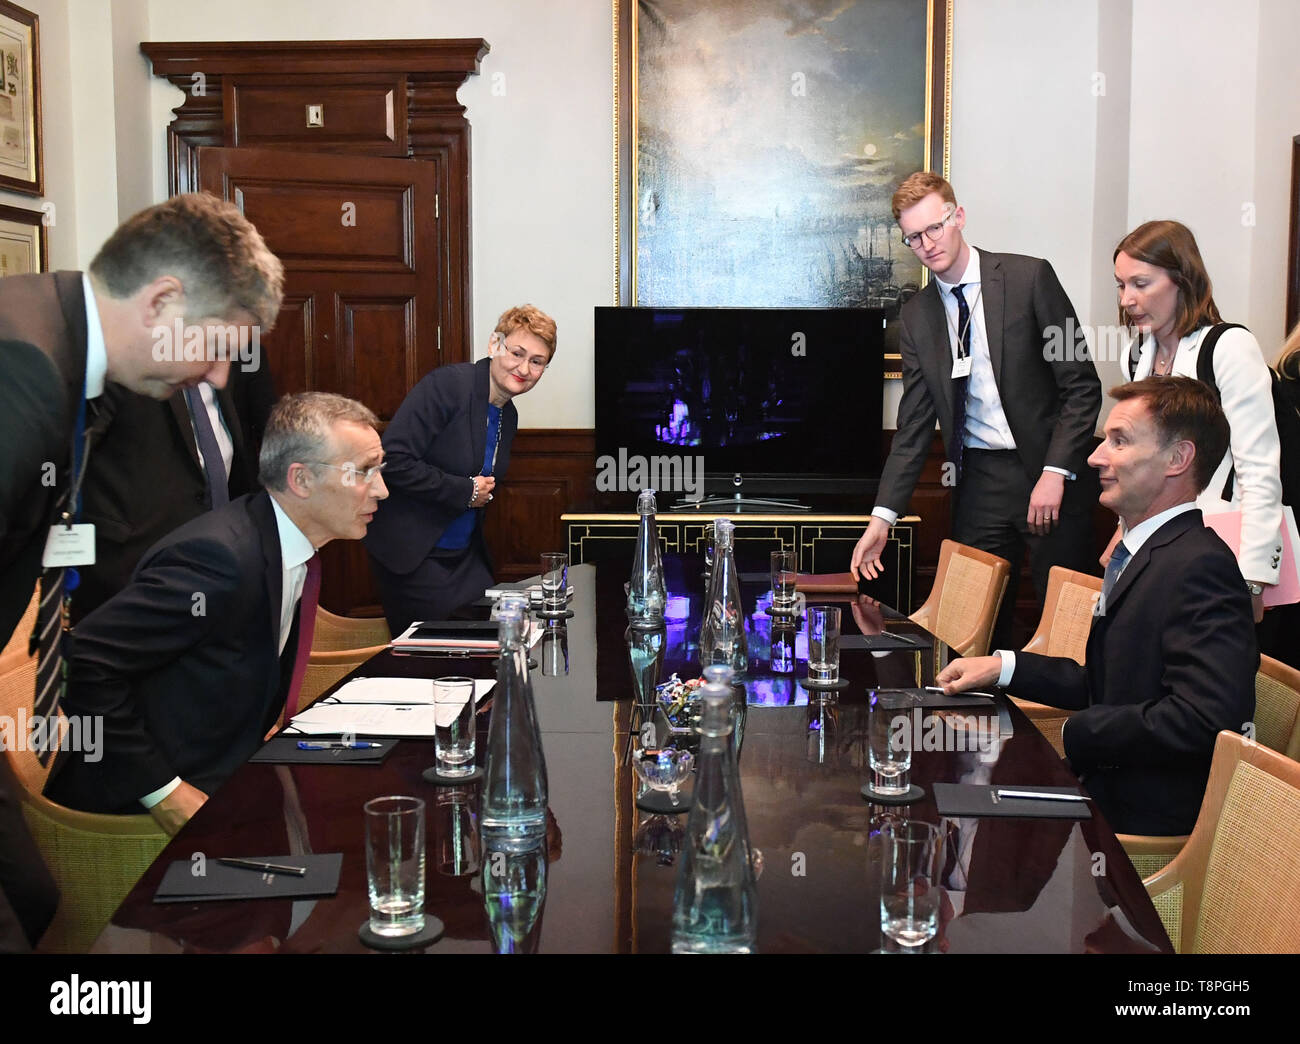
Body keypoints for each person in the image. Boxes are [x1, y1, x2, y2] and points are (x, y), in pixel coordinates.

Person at [0, 191, 282, 953]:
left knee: (32, 898)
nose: (221, 379)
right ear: (163, 301)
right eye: (218, 347)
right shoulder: (23, 373)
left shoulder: (55, 342)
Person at [43, 393, 387, 836]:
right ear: (300, 479)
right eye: (364, 472)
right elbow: (86, 659)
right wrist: (163, 792)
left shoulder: (287, 544)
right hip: (145, 813)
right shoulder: (218, 559)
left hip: (231, 777)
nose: (382, 488)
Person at [937, 377, 1257, 836]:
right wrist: (1001, 666)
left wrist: (1080, 732)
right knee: (948, 796)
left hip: (1138, 823)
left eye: (1119, 441)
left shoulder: (1199, 565)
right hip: (1105, 789)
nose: (1094, 457)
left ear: (1178, 459)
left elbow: (1205, 719)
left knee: (958, 819)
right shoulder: (1151, 551)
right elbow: (1111, 685)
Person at [850, 172, 1102, 649]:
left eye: (935, 228)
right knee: (972, 631)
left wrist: (1054, 472)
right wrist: (881, 520)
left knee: (1069, 627)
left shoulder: (1029, 279)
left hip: (1050, 475)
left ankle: (1067, 724)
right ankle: (978, 723)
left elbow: (1083, 387)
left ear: (958, 216)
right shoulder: (918, 316)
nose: (927, 244)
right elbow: (914, 429)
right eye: (914, 237)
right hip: (978, 481)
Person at [1115, 220, 1283, 625]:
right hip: (1152, 545)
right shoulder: (1136, 357)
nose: (1127, 299)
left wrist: (1253, 580)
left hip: (1219, 549)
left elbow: (1259, 468)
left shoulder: (1227, 347)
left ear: (1182, 281)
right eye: (1121, 285)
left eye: (1141, 283)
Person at [365, 304, 557, 635]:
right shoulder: (448, 386)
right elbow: (393, 459)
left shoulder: (507, 416)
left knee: (492, 645)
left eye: (537, 362)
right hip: (417, 555)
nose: (523, 368)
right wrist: (465, 491)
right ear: (494, 345)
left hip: (465, 558)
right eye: (517, 353)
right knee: (439, 658)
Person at [70, 368, 271, 624]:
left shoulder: (227, 368)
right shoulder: (126, 358)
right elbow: (68, 459)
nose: (223, 369)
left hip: (217, 567)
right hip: (130, 573)